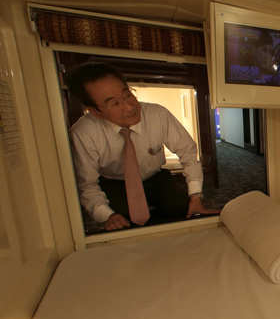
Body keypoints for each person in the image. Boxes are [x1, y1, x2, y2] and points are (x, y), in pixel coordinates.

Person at [68, 62, 218, 231]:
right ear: (95, 111)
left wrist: (196, 196)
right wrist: (107, 215)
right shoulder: (84, 133)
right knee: (124, 227)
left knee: (184, 213)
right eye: (115, 103)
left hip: (156, 177)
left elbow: (188, 153)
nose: (130, 107)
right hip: (115, 183)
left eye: (127, 95)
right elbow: (87, 184)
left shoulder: (157, 114)